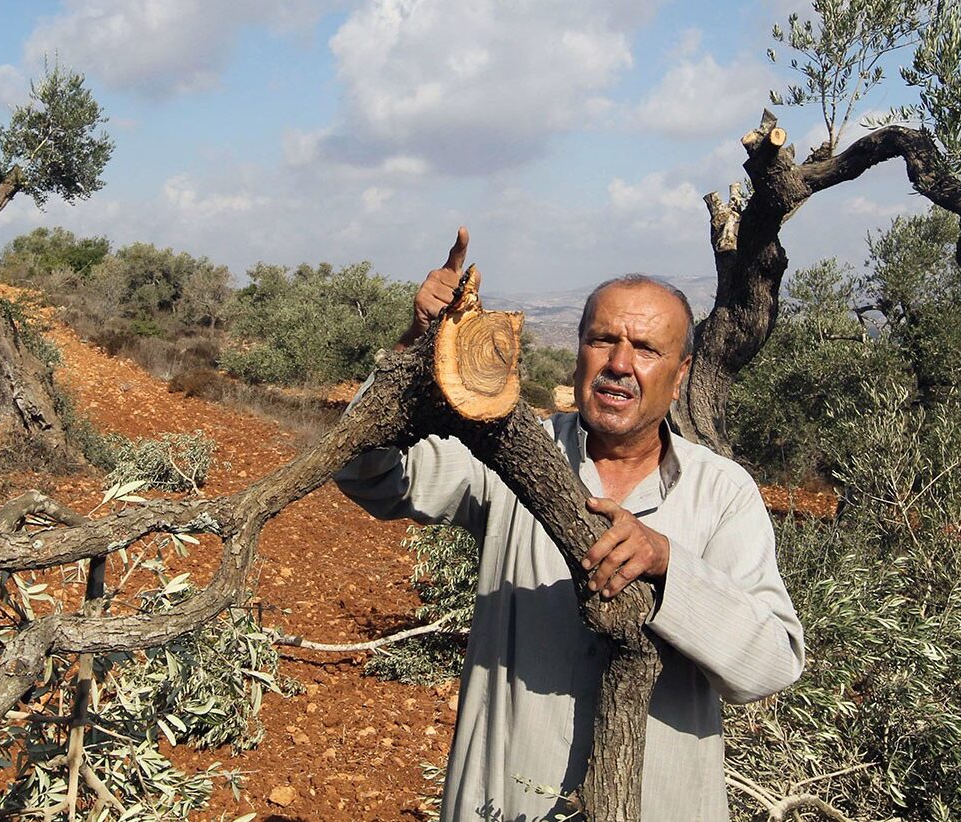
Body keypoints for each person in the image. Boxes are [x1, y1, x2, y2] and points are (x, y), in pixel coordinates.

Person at [334, 227, 804, 822]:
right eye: (602, 340)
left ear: (680, 375)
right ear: (578, 351)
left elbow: (770, 664)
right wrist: (417, 352)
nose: (619, 365)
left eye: (647, 349)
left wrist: (669, 566)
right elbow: (364, 470)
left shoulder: (722, 492)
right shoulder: (506, 449)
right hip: (502, 801)